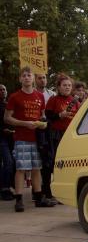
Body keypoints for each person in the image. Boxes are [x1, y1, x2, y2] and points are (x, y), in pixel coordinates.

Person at [5, 66, 55, 212]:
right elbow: (7, 118)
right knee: (21, 168)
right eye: (24, 75)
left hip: (38, 139)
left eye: (29, 75)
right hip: (22, 138)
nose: (27, 78)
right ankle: (19, 199)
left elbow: (42, 115)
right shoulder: (15, 97)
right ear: (20, 79)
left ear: (33, 78)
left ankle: (39, 198)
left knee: (36, 168)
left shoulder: (40, 97)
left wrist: (43, 122)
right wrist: (24, 124)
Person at [44, 74, 80, 201]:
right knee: (53, 162)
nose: (67, 87)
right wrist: (60, 115)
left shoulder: (75, 101)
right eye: (64, 85)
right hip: (56, 134)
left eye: (69, 85)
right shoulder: (53, 100)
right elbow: (48, 118)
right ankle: (48, 192)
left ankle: (66, 192)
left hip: (70, 135)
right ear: (58, 87)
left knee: (69, 163)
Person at [0, 84, 15, 200]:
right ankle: (4, 189)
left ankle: (9, 187)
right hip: (2, 138)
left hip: (12, 137)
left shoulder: (8, 105)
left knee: (13, 163)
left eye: (4, 89)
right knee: (8, 162)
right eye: (0, 90)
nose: (3, 91)